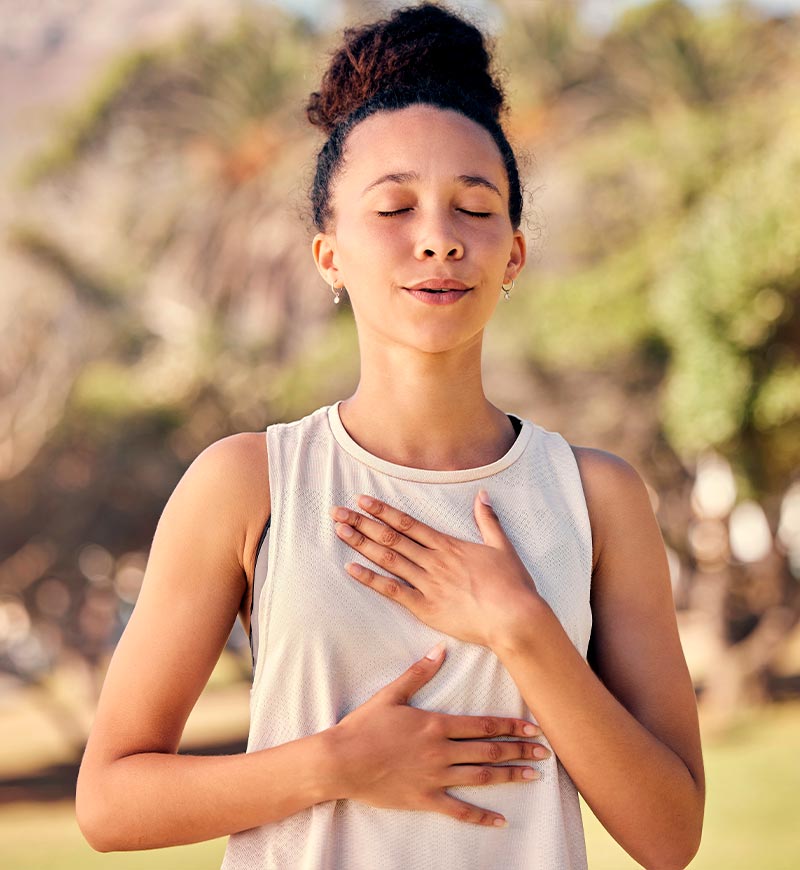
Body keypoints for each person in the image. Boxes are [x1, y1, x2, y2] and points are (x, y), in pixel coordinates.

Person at [75, 4, 705, 868]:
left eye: (474, 210)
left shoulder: (596, 495)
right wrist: (333, 765)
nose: (440, 240)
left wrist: (521, 625)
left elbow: (671, 837)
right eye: (395, 208)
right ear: (328, 253)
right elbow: (110, 802)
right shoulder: (251, 482)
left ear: (514, 255)